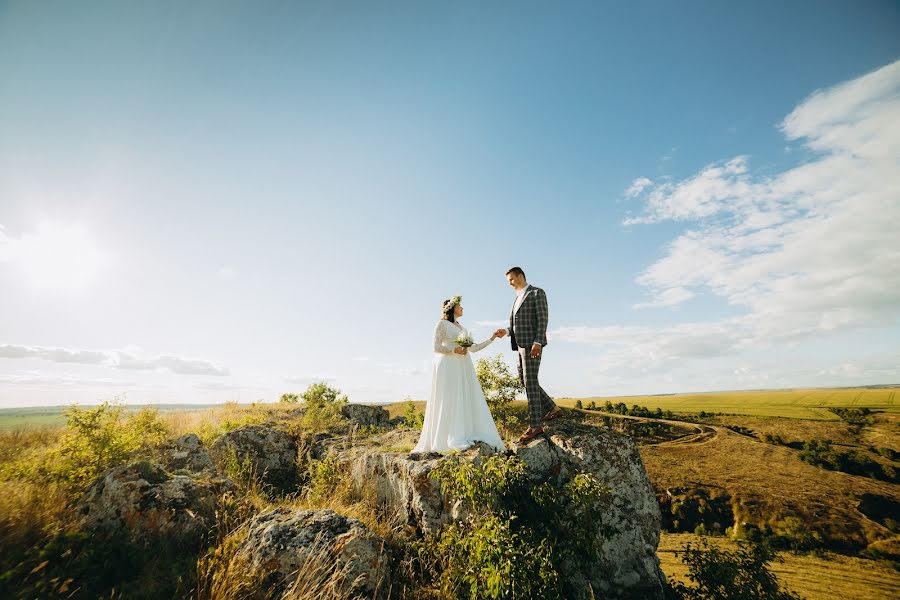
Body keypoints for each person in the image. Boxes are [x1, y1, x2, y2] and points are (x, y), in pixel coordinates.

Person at [412, 295, 506, 453]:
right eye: (460, 305)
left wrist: (492, 338)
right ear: (452, 307)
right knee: (448, 399)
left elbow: (473, 349)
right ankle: (444, 438)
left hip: (462, 367)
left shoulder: (462, 329)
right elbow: (435, 347)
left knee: (462, 398)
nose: (462, 308)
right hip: (448, 366)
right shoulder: (441, 324)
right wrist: (454, 350)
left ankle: (462, 432)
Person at [494, 267, 563, 443]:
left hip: (532, 345)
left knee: (530, 381)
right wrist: (507, 332)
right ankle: (553, 409)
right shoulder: (517, 298)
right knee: (525, 381)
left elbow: (542, 319)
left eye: (511, 279)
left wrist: (538, 342)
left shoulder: (536, 293)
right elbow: (519, 325)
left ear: (520, 276)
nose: (509, 283)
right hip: (519, 345)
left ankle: (535, 426)